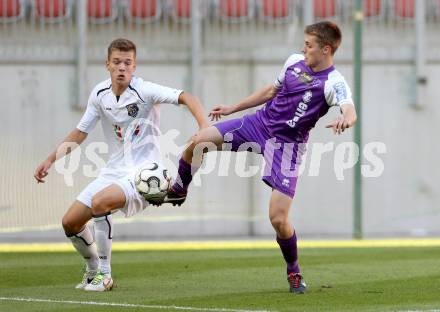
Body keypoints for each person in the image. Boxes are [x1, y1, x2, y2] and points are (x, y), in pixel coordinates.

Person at [162, 21, 357, 294]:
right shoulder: (294, 62)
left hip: (287, 146)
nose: (304, 49)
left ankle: (294, 271)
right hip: (259, 125)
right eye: (304, 43)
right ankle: (180, 188)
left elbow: (350, 110)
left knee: (278, 219)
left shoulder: (334, 83)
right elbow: (270, 91)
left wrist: (344, 120)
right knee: (198, 141)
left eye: (309, 45)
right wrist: (234, 107)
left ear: (326, 49)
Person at [33, 38, 209, 292]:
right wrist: (51, 159)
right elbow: (80, 132)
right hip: (113, 171)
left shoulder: (145, 90)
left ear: (134, 66)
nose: (122, 67)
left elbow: (187, 97)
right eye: (117, 62)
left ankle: (105, 276)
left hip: (145, 173)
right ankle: (93, 270)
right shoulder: (100, 94)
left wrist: (204, 126)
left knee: (100, 203)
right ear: (108, 65)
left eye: (127, 63)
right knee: (70, 222)